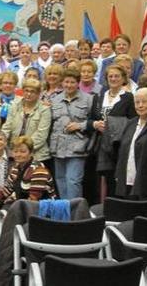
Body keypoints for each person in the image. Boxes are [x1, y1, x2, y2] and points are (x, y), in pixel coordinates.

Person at [0, 136, 56, 210]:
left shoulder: (39, 171)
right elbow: (4, 192)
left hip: (42, 210)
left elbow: (33, 201)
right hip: (25, 205)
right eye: (15, 151)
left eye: (23, 151)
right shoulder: (16, 169)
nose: (18, 154)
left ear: (31, 153)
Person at [50, 68, 97, 199]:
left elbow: (95, 122)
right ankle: (65, 213)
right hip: (57, 147)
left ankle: (74, 212)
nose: (69, 85)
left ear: (78, 83)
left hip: (78, 147)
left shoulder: (89, 99)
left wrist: (80, 125)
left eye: (72, 82)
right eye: (66, 82)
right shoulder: (55, 100)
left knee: (73, 181)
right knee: (60, 180)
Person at [92, 64, 137, 198]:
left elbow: (133, 121)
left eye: (117, 76)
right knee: (102, 178)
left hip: (118, 144)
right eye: (110, 76)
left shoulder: (129, 97)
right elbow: (92, 118)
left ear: (123, 78)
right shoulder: (99, 96)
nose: (113, 78)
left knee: (116, 178)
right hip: (101, 143)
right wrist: (95, 124)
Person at [1, 78, 51, 162]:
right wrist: (2, 142)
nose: (28, 94)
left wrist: (25, 150)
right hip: (14, 153)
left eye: (32, 91)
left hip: (37, 155)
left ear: (38, 93)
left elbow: (41, 135)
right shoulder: (14, 106)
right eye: (26, 90)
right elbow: (7, 127)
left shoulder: (44, 109)